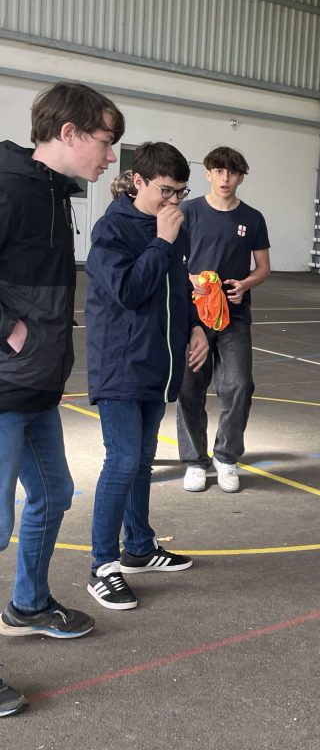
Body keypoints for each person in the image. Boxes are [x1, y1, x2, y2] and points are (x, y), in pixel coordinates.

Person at [0, 82, 124, 716]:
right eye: (107, 141)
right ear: (69, 133)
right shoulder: (9, 187)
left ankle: (27, 605)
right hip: (3, 386)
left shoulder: (53, 193)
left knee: (53, 495)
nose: (112, 157)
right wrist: (10, 330)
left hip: (37, 386)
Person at [85, 142, 209, 611]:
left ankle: (138, 546)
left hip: (158, 364)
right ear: (138, 182)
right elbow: (129, 291)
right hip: (119, 364)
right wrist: (161, 241)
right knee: (121, 462)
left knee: (141, 462)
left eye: (181, 192)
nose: (174, 200)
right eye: (166, 190)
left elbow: (177, 290)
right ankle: (102, 566)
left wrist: (195, 326)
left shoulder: (175, 226)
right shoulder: (112, 229)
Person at [177, 147, 271, 493]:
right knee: (189, 388)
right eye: (219, 171)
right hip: (193, 317)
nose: (225, 178)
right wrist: (192, 280)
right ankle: (194, 461)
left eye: (232, 172)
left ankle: (227, 457)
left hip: (235, 317)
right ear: (208, 174)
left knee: (240, 385)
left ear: (241, 177)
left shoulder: (253, 218)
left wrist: (245, 284)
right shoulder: (188, 211)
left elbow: (263, 268)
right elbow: (170, 258)